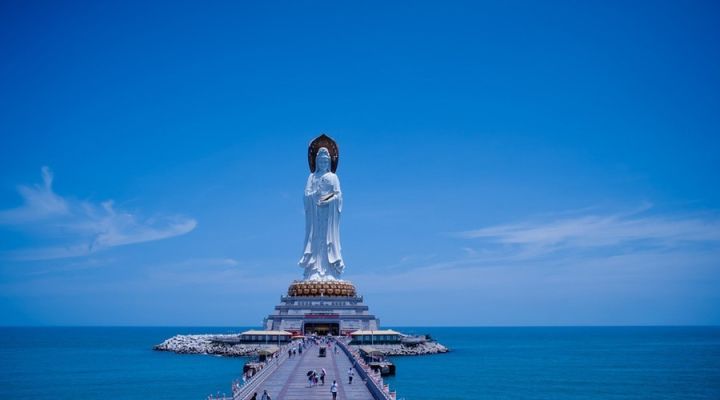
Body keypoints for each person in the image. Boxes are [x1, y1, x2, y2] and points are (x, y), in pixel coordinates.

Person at [299, 147, 345, 280]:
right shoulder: (312, 177)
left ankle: (330, 271)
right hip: (315, 215)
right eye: (321, 162)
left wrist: (326, 200)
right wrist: (315, 196)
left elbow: (338, 196)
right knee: (315, 240)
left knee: (328, 241)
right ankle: (313, 270)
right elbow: (306, 196)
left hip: (329, 215)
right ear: (316, 162)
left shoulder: (333, 177)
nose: (323, 164)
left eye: (326, 162)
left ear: (329, 163)